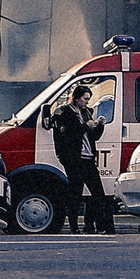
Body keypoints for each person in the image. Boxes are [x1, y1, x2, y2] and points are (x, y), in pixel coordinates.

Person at [47, 81, 111, 233]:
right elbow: (67, 135)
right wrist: (85, 126)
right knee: (76, 193)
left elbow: (93, 137)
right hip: (74, 158)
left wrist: (100, 125)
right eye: (85, 99)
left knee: (98, 193)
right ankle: (74, 226)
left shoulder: (87, 112)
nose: (87, 102)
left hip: (88, 157)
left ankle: (93, 225)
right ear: (76, 98)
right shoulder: (64, 112)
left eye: (88, 99)